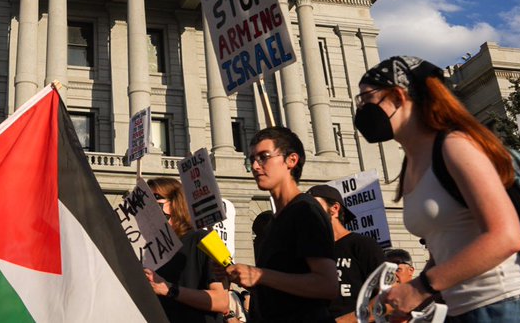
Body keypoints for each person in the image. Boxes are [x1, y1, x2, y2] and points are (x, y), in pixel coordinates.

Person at [355, 55, 520, 323]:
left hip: (515, 302)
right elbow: (450, 247)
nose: (362, 109)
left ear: (398, 96)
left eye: (367, 99)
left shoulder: (455, 146)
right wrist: (407, 296)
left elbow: (506, 237)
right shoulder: (413, 163)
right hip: (469, 309)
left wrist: (419, 287)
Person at [225, 127, 339, 323]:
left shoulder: (305, 210)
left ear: (291, 160)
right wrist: (242, 276)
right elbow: (281, 284)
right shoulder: (274, 222)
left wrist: (259, 275)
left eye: (264, 157)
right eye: (251, 158)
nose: (255, 165)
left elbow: (327, 285)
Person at [142, 177, 228, 323]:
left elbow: (222, 301)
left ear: (175, 203)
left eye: (155, 199)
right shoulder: (147, 249)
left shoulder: (206, 238)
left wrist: (169, 289)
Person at [307, 184, 386, 322]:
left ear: (335, 209)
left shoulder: (363, 245)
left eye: (312, 205)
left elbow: (387, 298)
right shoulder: (311, 253)